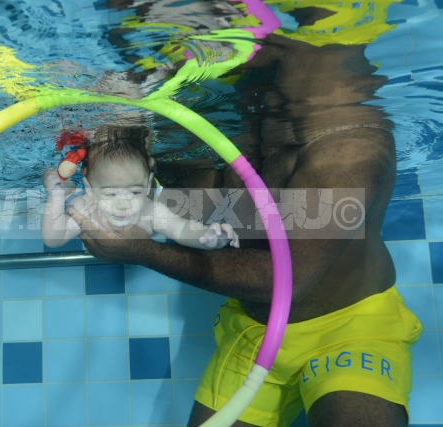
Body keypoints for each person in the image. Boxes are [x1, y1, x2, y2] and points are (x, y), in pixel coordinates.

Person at [67, 8, 423, 427]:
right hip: (252, 332)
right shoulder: (219, 125)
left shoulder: (346, 143)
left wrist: (140, 251)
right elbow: (171, 204)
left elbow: (285, 278)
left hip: (350, 326)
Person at [41, 125, 240, 250]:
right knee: (66, 189)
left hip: (153, 183)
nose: (123, 205)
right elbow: (53, 240)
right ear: (91, 190)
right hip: (84, 187)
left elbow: (181, 229)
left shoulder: (152, 212)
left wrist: (207, 237)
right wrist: (55, 198)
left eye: (135, 192)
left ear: (146, 186)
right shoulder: (85, 209)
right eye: (111, 194)